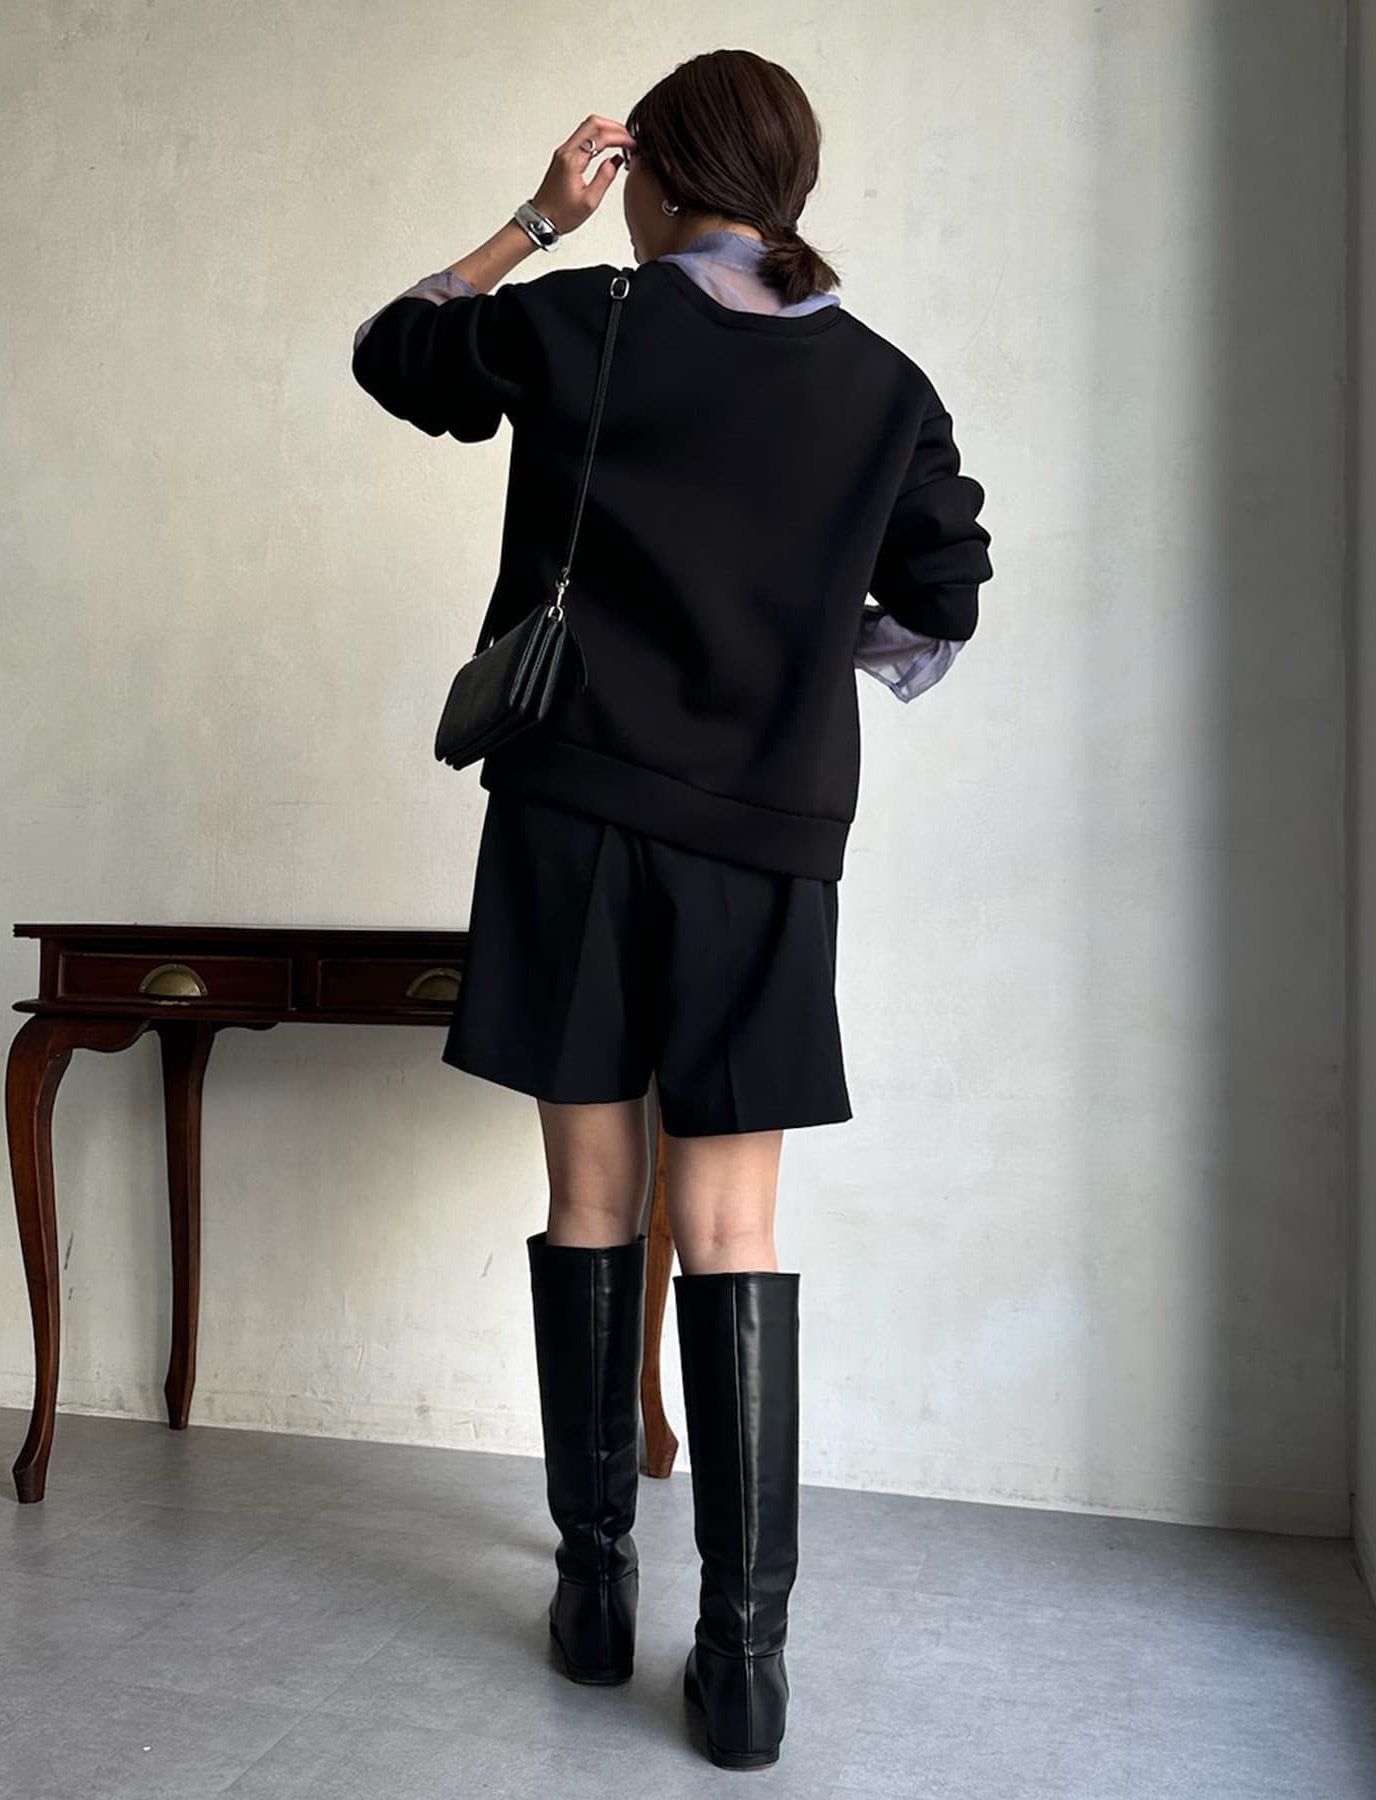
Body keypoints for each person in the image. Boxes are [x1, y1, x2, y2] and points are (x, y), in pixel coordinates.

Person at [351, 48, 993, 1772]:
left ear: (650, 175)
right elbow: (943, 600)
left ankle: (591, 1594)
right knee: (734, 1226)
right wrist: (796, 651)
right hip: (765, 843)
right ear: (790, 185)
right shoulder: (883, 384)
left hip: (573, 818)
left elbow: (398, 350)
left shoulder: (590, 319)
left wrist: (531, 219)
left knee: (591, 1199)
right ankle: (745, 1663)